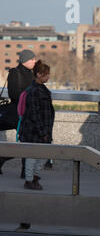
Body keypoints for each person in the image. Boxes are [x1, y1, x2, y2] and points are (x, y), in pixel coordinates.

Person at [18, 60, 54, 190]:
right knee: (32, 156)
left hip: (43, 129)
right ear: (39, 74)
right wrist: (43, 132)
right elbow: (34, 114)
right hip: (35, 131)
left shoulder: (41, 89)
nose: (48, 76)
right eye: (46, 74)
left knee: (44, 155)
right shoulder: (34, 91)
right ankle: (29, 180)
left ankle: (34, 177)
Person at [0, 49, 36, 176]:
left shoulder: (32, 74)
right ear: (25, 60)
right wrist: (29, 97)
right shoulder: (15, 73)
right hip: (17, 113)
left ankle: (23, 170)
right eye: (32, 59)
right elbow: (14, 94)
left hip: (27, 113)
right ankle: (25, 172)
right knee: (25, 143)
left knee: (26, 143)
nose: (34, 61)